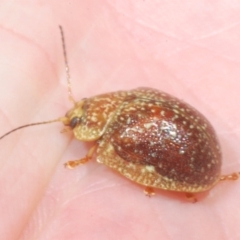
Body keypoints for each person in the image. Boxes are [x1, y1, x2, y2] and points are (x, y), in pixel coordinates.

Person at [0, 1, 239, 239]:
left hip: (198, 163)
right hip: (202, 151)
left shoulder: (115, 138)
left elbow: (124, 163)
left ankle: (202, 183)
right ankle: (206, 182)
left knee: (115, 155)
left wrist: (85, 158)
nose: (71, 117)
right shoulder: (131, 96)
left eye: (75, 121)